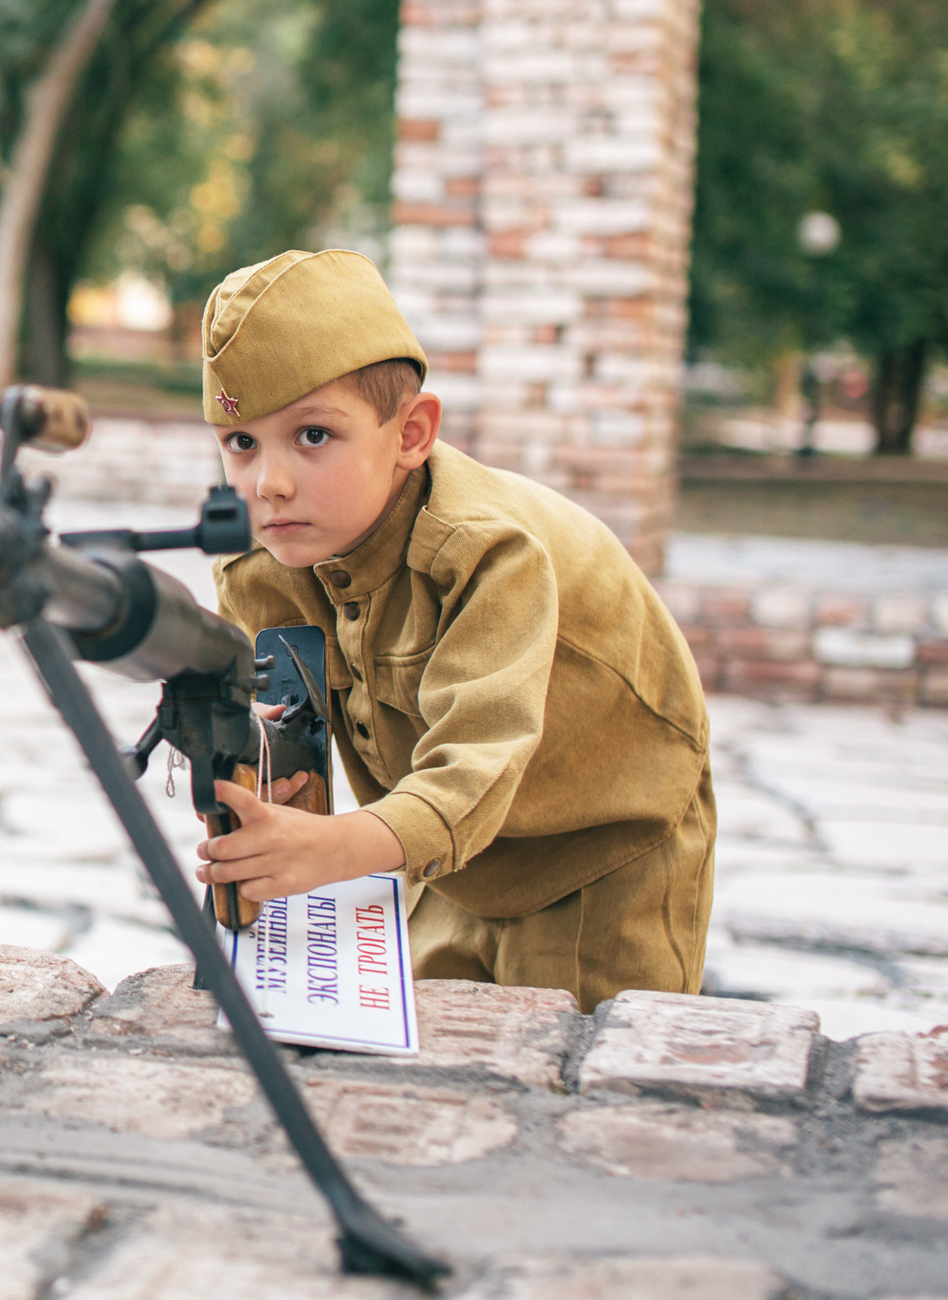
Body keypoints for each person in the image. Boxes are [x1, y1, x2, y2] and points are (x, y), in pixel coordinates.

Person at [190, 248, 714, 1011]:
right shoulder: (267, 563)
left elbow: (477, 765)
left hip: (603, 848)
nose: (267, 483)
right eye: (242, 443)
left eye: (311, 436)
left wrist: (329, 852)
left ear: (410, 434)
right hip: (446, 854)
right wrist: (245, 767)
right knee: (437, 1062)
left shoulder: (484, 553)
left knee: (584, 1086)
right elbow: (284, 738)